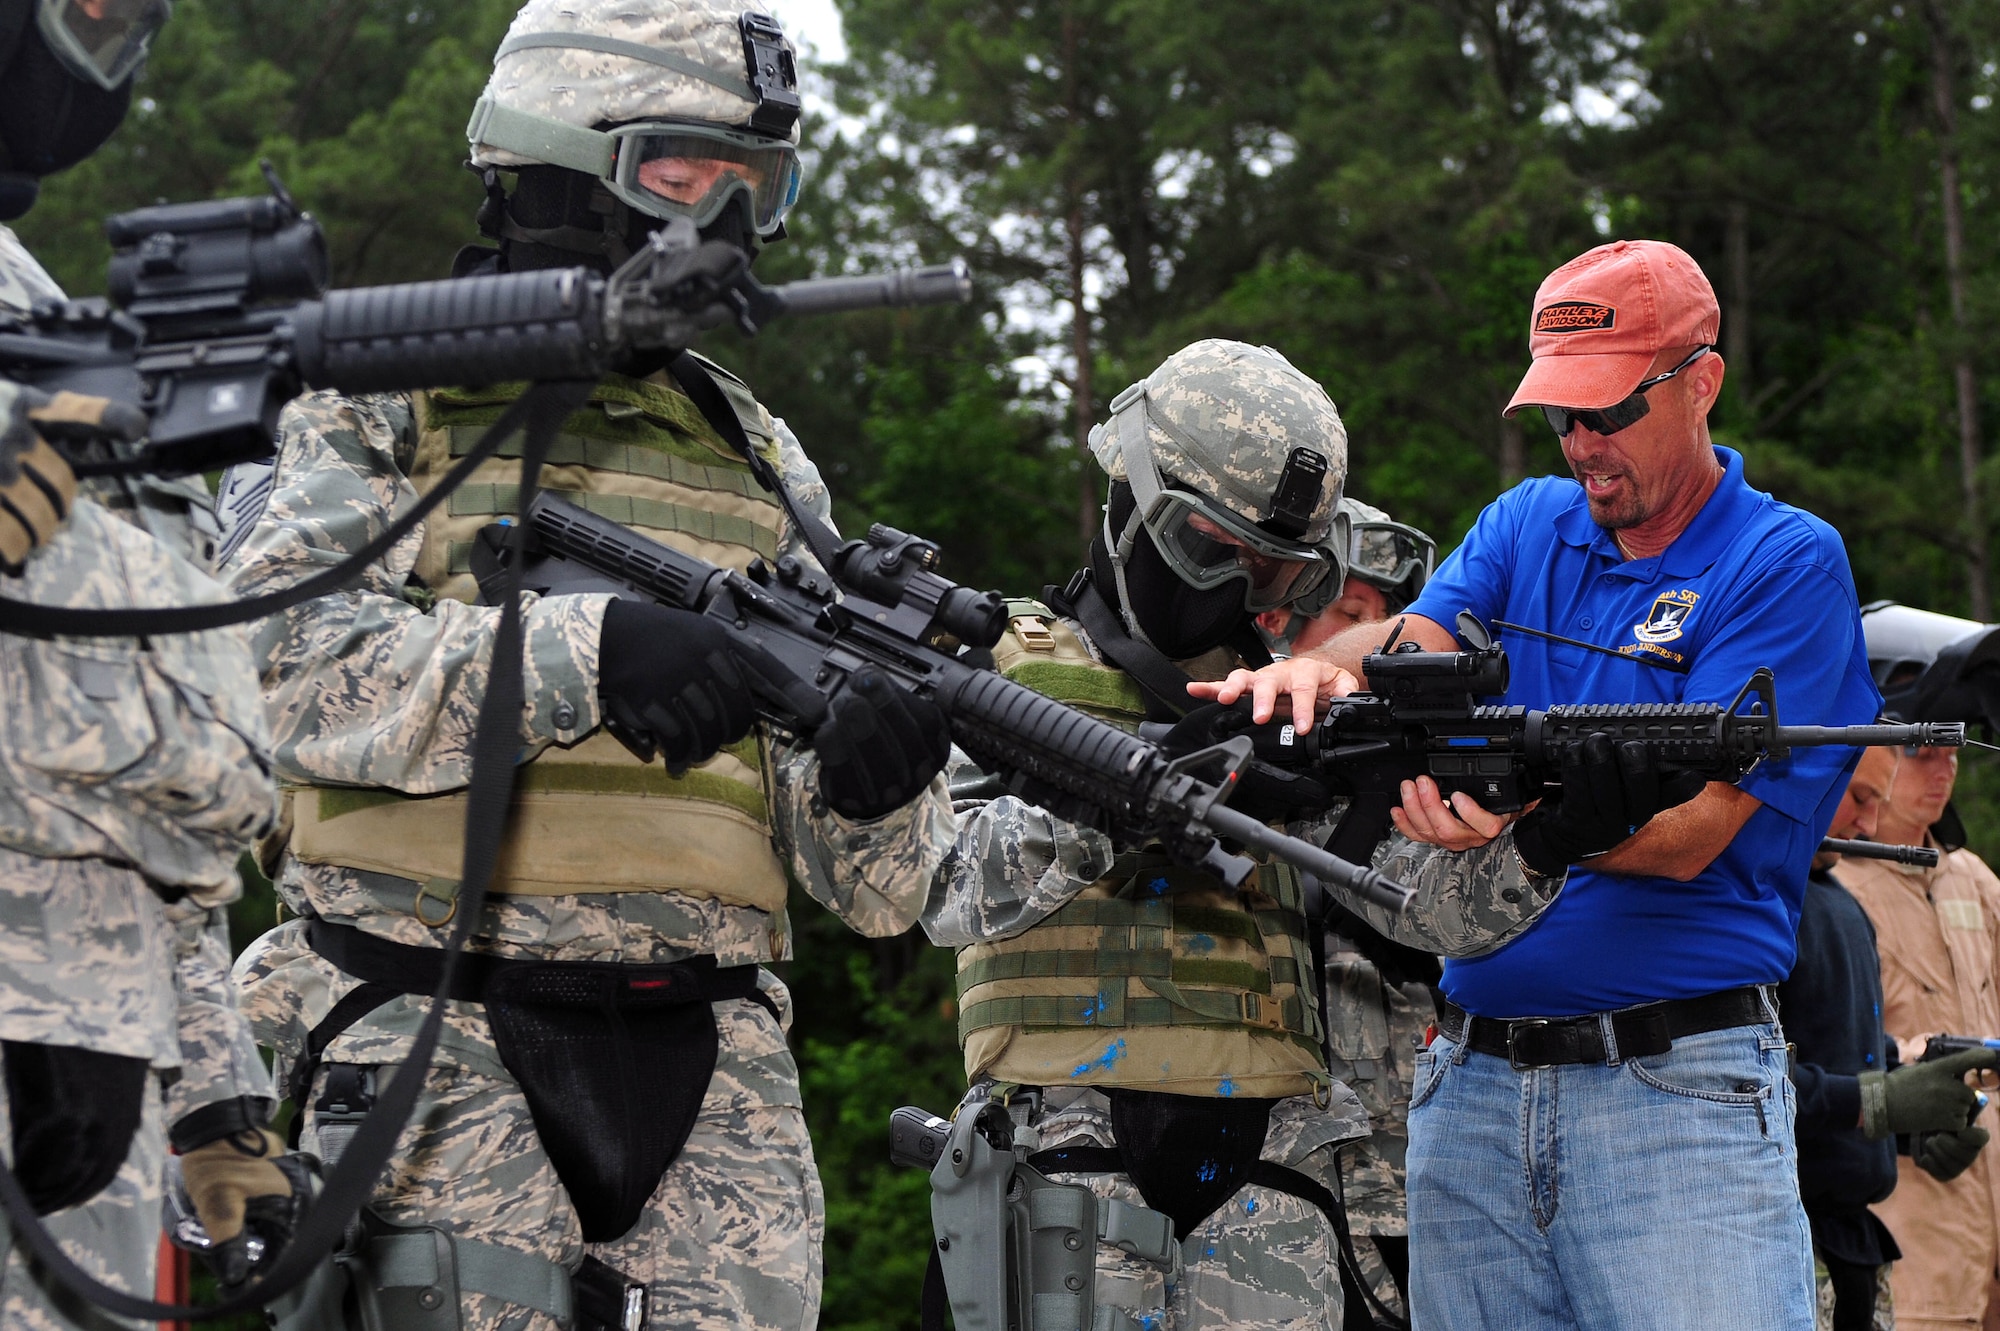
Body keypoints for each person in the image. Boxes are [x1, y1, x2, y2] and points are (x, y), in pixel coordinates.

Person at [220, 4, 955, 1328]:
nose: (728, 223)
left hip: (720, 1057)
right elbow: (278, 662)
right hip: (428, 1020)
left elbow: (885, 898)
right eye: (687, 173)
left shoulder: (758, 450)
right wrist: (586, 650)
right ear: (561, 152)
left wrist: (875, 775)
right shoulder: (382, 390)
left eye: (758, 185)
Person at [921, 340, 1694, 1331]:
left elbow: (1426, 910)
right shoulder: (997, 665)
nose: (1245, 593)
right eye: (1215, 551)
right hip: (1063, 1166)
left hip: (1275, 1177)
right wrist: (1144, 793)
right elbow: (934, 884)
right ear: (1133, 494)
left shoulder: (1296, 706)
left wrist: (1554, 838)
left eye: (1276, 568)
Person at [1196, 238, 1882, 1328]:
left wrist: (1515, 821)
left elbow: (1697, 830)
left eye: (1605, 412)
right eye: (1561, 416)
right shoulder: (1525, 522)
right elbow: (1406, 642)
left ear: (1698, 379)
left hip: (1675, 1097)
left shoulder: (1782, 560)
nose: (1579, 445)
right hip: (1467, 1094)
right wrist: (1308, 677)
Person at [0, 0, 311, 1323]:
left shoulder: (31, 302)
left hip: (88, 1054)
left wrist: (216, 1099)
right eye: (79, 12)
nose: (99, 49)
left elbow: (126, 746)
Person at [1255, 496, 1441, 1321]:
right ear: (1278, 622)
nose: (1382, 644)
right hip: (1265, 1197)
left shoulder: (1420, 782)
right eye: (1358, 617)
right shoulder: (1222, 773)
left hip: (1413, 1199)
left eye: (1397, 620)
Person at [1785, 744, 1997, 1331]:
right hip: (1786, 1245)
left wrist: (1910, 1129)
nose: (1868, 825)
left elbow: (1847, 1059)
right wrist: (1880, 1103)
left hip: (1856, 1245)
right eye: (1858, 798)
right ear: (1804, 779)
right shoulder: (1758, 905)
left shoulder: (1841, 905)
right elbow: (1735, 1081)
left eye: (1877, 801)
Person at [1836, 612, 2000, 1331]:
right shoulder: (1831, 887)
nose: (1945, 769)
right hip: (1911, 1215)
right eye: (1926, 749)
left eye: (1955, 749)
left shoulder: (1975, 879)